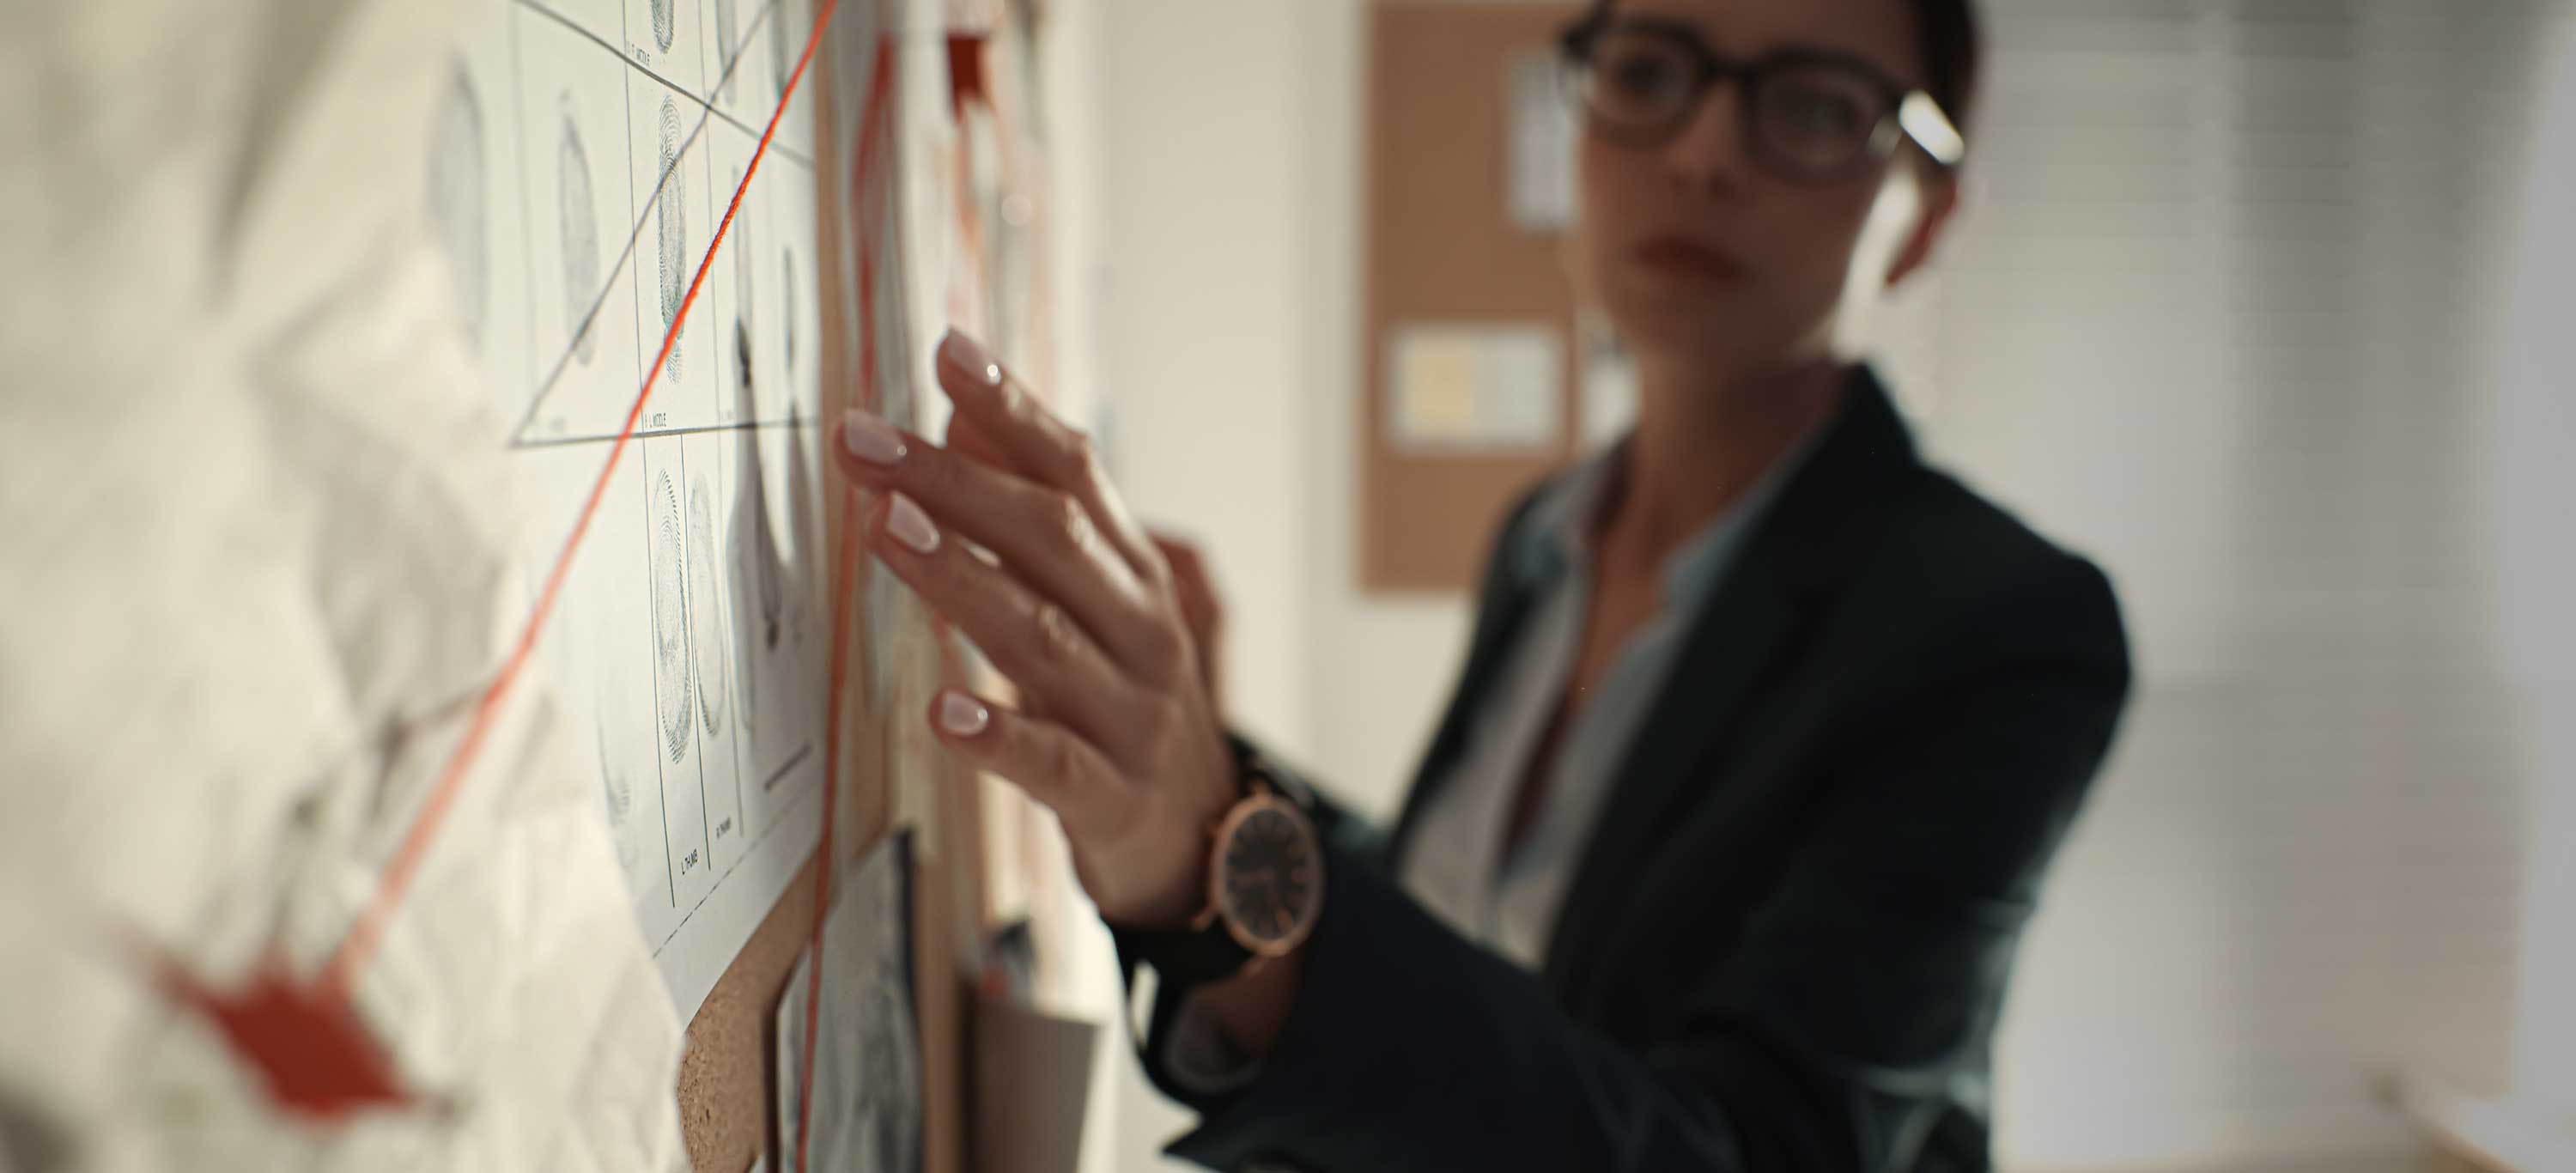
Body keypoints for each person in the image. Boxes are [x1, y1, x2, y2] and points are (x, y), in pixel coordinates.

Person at [829, 0, 2133, 1166]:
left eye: (1810, 106)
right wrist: (1196, 755)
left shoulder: (2003, 626)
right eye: (1652, 66)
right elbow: (1470, 921)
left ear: (1927, 212)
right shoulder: (1542, 538)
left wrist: (1220, 885)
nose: (1702, 152)